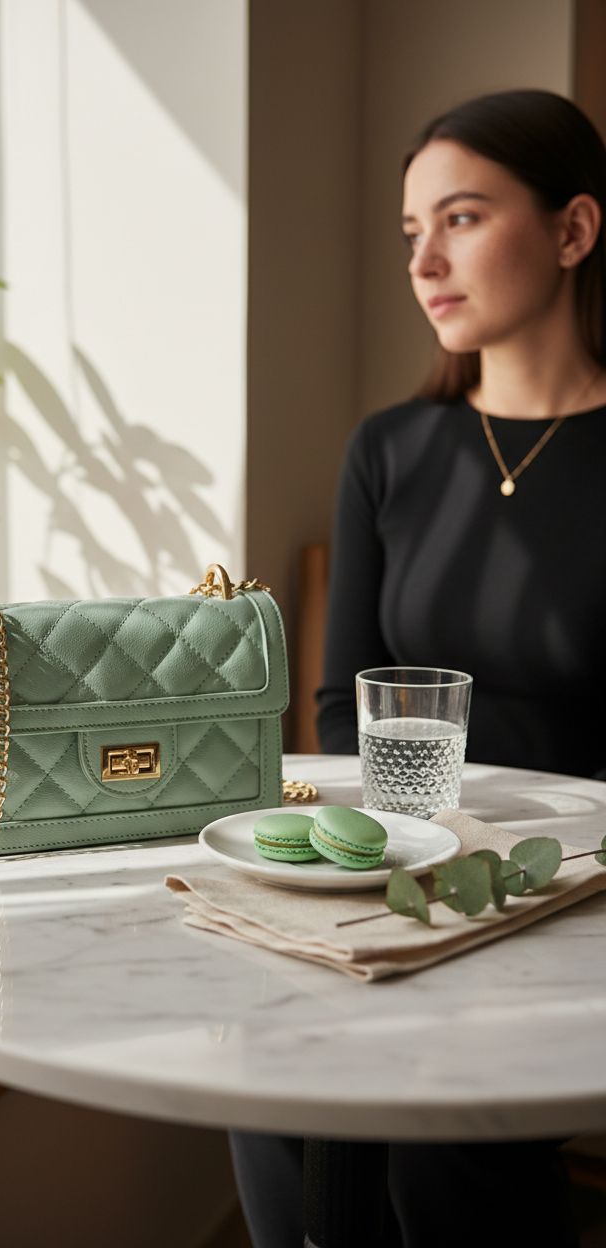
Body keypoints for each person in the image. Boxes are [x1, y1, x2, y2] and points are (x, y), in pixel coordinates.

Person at [231, 88, 606, 1248]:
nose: (423, 259)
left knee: (441, 1157)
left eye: (460, 218)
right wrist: (412, 854)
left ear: (571, 231)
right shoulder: (390, 450)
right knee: (271, 1087)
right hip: (416, 868)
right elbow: (344, 705)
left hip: (579, 890)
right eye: (410, 233)